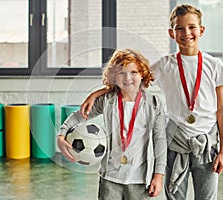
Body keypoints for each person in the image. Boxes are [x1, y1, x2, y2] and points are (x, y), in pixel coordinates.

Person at [80, 4, 223, 200]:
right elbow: (130, 82)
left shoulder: (214, 65)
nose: (187, 33)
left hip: (207, 145)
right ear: (171, 33)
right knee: (175, 197)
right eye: (179, 28)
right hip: (175, 145)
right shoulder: (164, 65)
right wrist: (99, 92)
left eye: (192, 27)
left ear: (201, 30)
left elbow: (222, 110)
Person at [57, 48, 167, 199]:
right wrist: (61, 135)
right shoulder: (107, 101)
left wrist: (158, 175)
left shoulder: (154, 104)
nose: (128, 77)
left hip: (140, 180)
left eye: (134, 72)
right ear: (114, 77)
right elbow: (79, 116)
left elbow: (160, 141)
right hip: (110, 178)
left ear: (143, 74)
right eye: (121, 72)